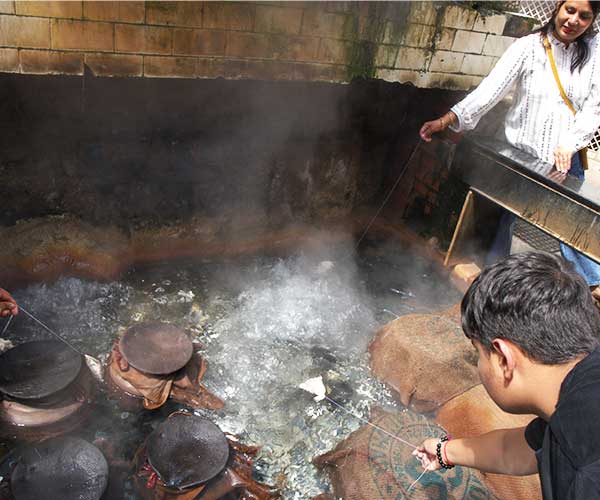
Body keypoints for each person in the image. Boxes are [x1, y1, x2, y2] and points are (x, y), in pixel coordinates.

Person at [420, 1, 600, 301]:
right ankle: (493, 290)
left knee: (576, 234)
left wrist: (569, 143)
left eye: (584, 16)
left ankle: (589, 294)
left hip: (563, 161)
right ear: (557, 8)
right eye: (569, 10)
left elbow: (594, 109)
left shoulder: (594, 53)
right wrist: (449, 119)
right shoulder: (528, 47)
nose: (573, 20)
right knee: (496, 227)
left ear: (592, 20)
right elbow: (491, 90)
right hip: (520, 155)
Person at [413, 251, 600, 499]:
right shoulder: (582, 387)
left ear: (503, 359)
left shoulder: (581, 476)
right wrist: (444, 452)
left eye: (478, 354)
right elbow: (516, 449)